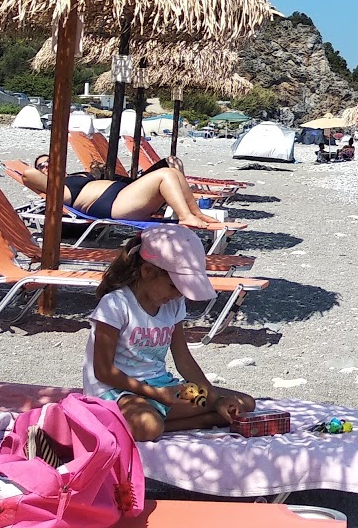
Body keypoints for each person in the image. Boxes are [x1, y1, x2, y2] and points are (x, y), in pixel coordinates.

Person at [83, 225, 256, 441]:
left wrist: (214, 398)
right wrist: (156, 395)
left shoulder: (173, 305)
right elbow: (103, 372)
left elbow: (183, 359)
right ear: (147, 272)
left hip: (161, 388)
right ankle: (204, 420)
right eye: (174, 286)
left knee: (242, 404)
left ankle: (192, 417)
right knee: (148, 426)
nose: (177, 295)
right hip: (117, 393)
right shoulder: (115, 305)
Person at [25, 154, 240, 232]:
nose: (46, 165)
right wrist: (46, 172)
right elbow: (27, 174)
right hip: (113, 206)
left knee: (172, 171)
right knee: (165, 174)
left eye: (49, 161)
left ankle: (196, 214)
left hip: (122, 195)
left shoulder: (73, 176)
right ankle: (186, 217)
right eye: (41, 165)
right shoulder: (57, 190)